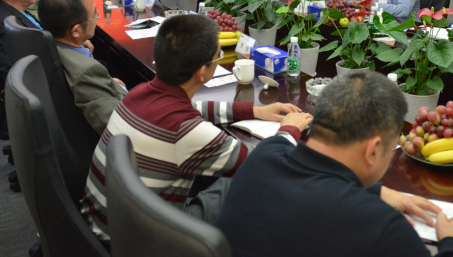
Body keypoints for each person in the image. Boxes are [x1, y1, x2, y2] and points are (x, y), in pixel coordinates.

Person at [81, 14, 313, 244]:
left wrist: (254, 111)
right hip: (143, 243)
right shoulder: (188, 132)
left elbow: (192, 107)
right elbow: (267, 163)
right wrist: (289, 130)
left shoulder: (138, 92)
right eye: (218, 56)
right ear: (202, 72)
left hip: (105, 226)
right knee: (246, 179)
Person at [217, 72, 453, 257]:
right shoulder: (383, 228)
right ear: (373, 150)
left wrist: (377, 192)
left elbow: (312, 185)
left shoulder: (265, 154)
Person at [38, 0, 126, 134]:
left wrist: (110, 83)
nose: (96, 17)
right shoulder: (87, 71)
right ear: (76, 31)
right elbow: (117, 128)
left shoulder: (49, 46)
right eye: (94, 15)